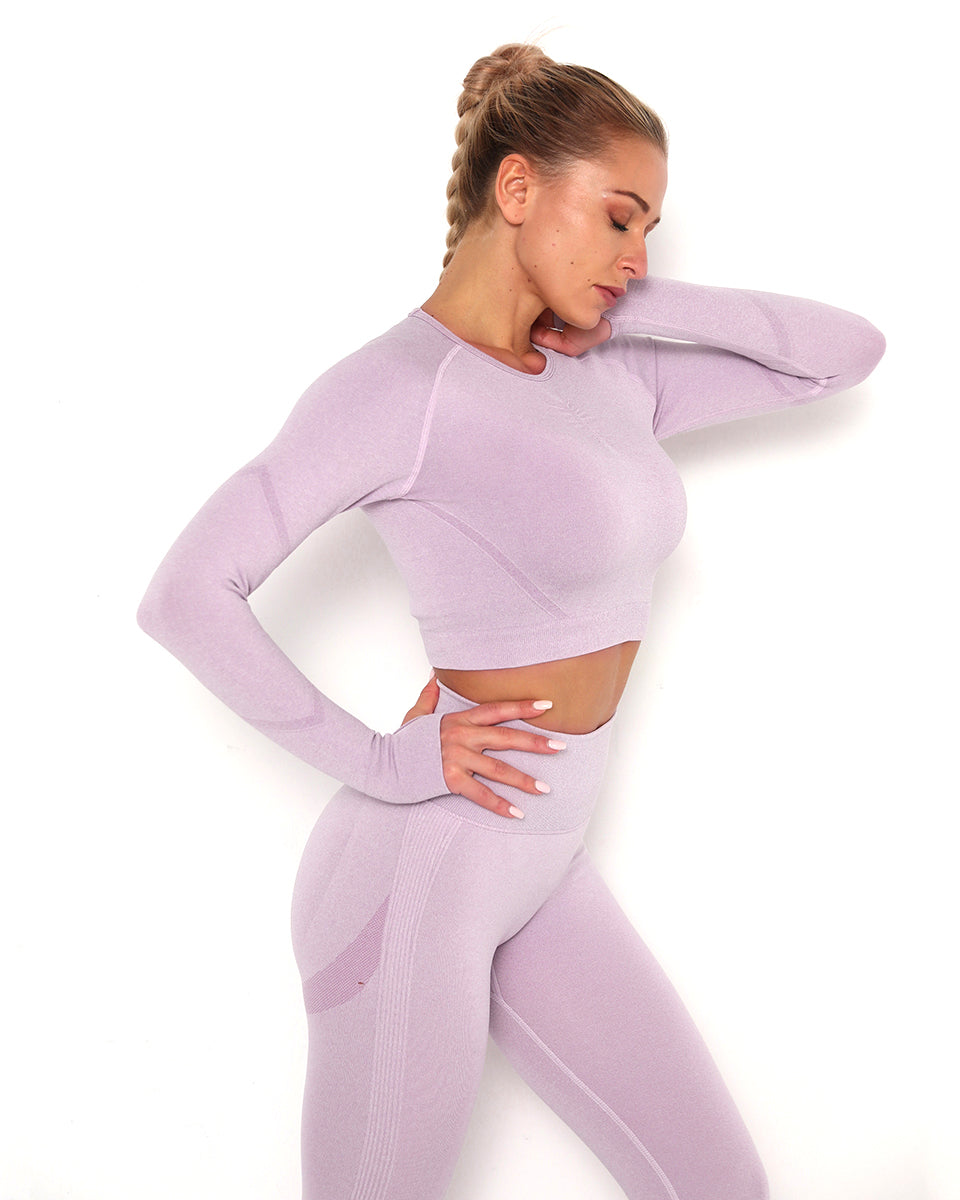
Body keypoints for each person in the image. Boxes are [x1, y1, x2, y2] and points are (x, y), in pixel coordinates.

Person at [137, 42, 885, 1200]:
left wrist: (640, 298)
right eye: (620, 219)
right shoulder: (396, 391)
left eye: (650, 229)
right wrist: (383, 760)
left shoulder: (611, 375)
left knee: (719, 1186)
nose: (637, 254)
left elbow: (842, 357)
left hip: (543, 854)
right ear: (519, 188)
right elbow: (186, 595)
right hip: (416, 869)